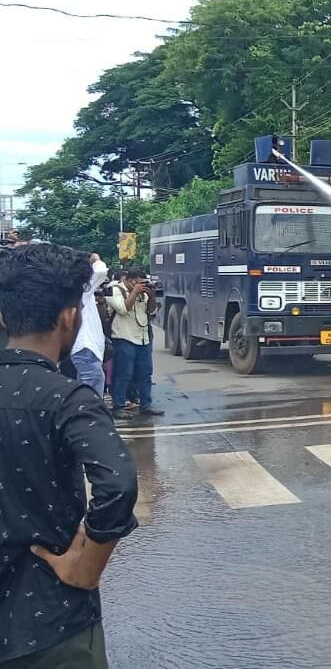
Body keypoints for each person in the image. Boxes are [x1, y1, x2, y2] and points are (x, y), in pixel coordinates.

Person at [0, 242, 139, 669]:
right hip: (53, 623)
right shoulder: (68, 398)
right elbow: (117, 484)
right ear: (69, 317)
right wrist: (87, 566)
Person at [107, 268, 163, 420]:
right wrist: (135, 292)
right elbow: (123, 309)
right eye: (136, 282)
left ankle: (146, 405)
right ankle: (119, 406)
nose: (138, 284)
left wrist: (151, 295)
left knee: (145, 374)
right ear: (128, 280)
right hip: (123, 338)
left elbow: (151, 311)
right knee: (123, 374)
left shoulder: (143, 292)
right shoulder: (114, 289)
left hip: (143, 338)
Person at [68, 253, 109, 398]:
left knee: (86, 387)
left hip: (84, 348)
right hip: (85, 348)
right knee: (93, 388)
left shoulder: (75, 290)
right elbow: (101, 271)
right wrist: (96, 259)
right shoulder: (80, 289)